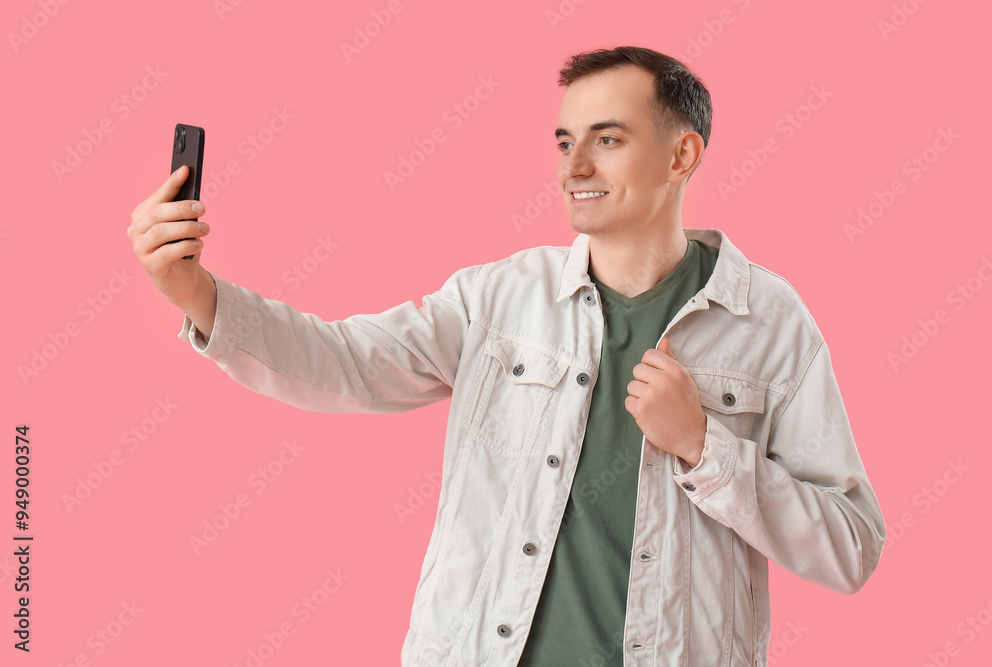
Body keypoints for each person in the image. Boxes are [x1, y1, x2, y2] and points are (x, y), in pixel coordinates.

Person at [127, 45, 885, 666]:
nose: (573, 166)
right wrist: (197, 292)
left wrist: (704, 447)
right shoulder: (498, 301)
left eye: (607, 139)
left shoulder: (770, 322)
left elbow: (851, 546)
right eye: (564, 141)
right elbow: (344, 361)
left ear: (682, 153)